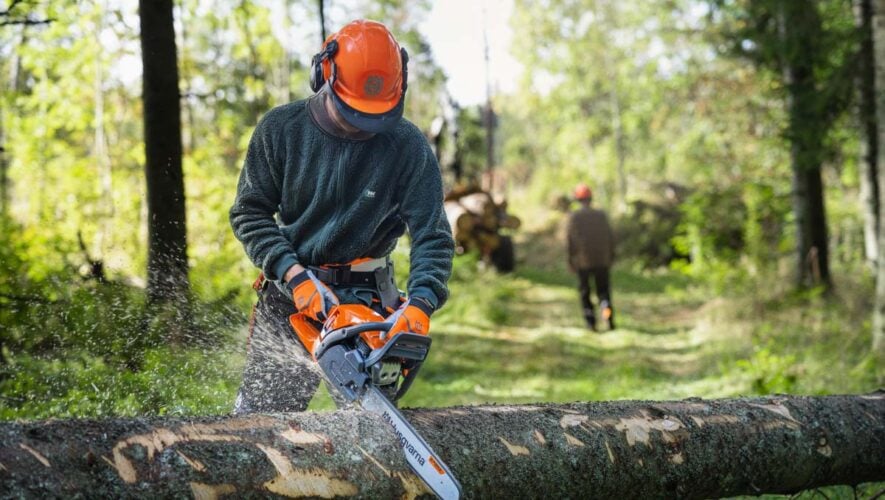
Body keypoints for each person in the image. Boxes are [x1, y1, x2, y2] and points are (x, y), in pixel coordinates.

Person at [229, 20, 454, 414]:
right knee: (262, 422)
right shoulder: (280, 131)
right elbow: (249, 213)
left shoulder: (407, 146)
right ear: (323, 75)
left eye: (376, 118)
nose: (363, 127)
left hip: (369, 301)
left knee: (372, 430)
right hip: (290, 297)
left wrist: (421, 302)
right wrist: (293, 275)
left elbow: (432, 235)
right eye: (353, 113)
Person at [566, 183, 615, 331]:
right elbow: (610, 238)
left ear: (577, 200)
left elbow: (570, 241)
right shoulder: (601, 215)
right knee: (604, 293)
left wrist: (570, 260)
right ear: (590, 198)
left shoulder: (574, 217)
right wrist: (611, 256)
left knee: (585, 293)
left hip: (583, 262)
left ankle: (591, 323)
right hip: (602, 261)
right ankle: (607, 316)